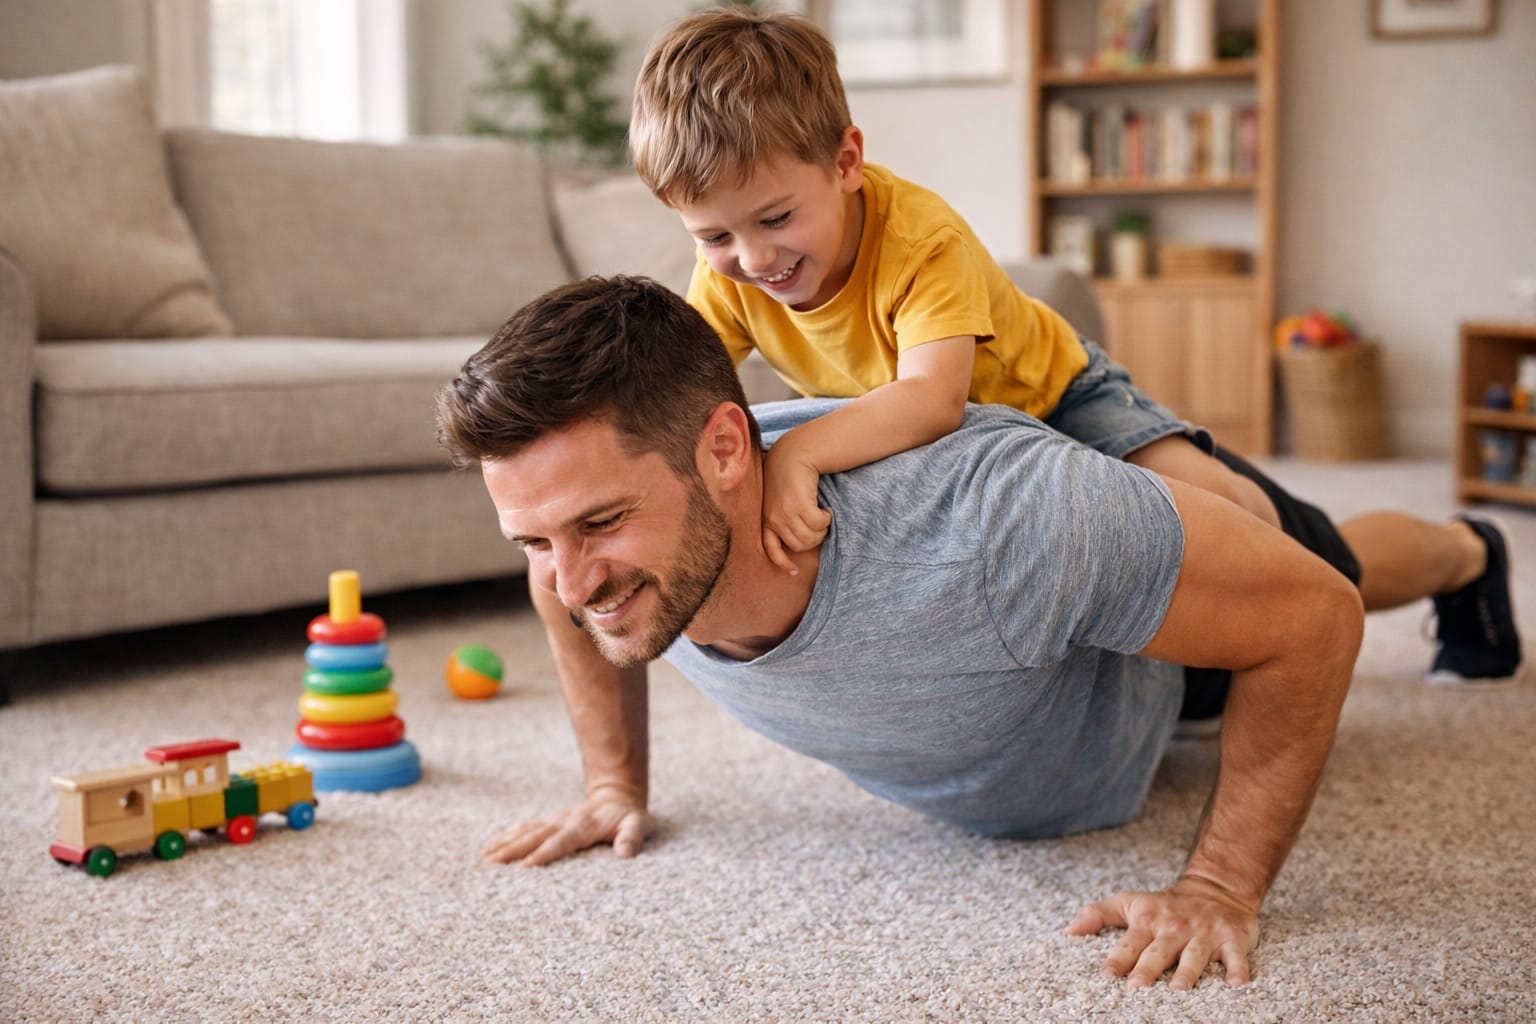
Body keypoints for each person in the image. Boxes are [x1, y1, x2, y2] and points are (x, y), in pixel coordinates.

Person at [435, 276, 1522, 989]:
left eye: (599, 524)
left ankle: (1468, 552)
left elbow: (1314, 619)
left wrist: (1220, 887)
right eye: (533, 538)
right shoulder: (589, 557)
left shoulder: (1005, 521)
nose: (569, 578)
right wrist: (612, 784)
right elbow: (560, 595)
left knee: (1329, 567)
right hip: (1021, 653)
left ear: (726, 451)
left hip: (1134, 665)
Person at [628, 7, 1283, 581]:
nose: (753, 259)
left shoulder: (920, 238)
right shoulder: (726, 274)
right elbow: (684, 392)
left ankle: (1290, 557)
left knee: (1210, 502)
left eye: (775, 219)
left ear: (846, 163)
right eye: (714, 235)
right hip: (949, 443)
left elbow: (933, 398)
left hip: (1054, 397)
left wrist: (799, 451)